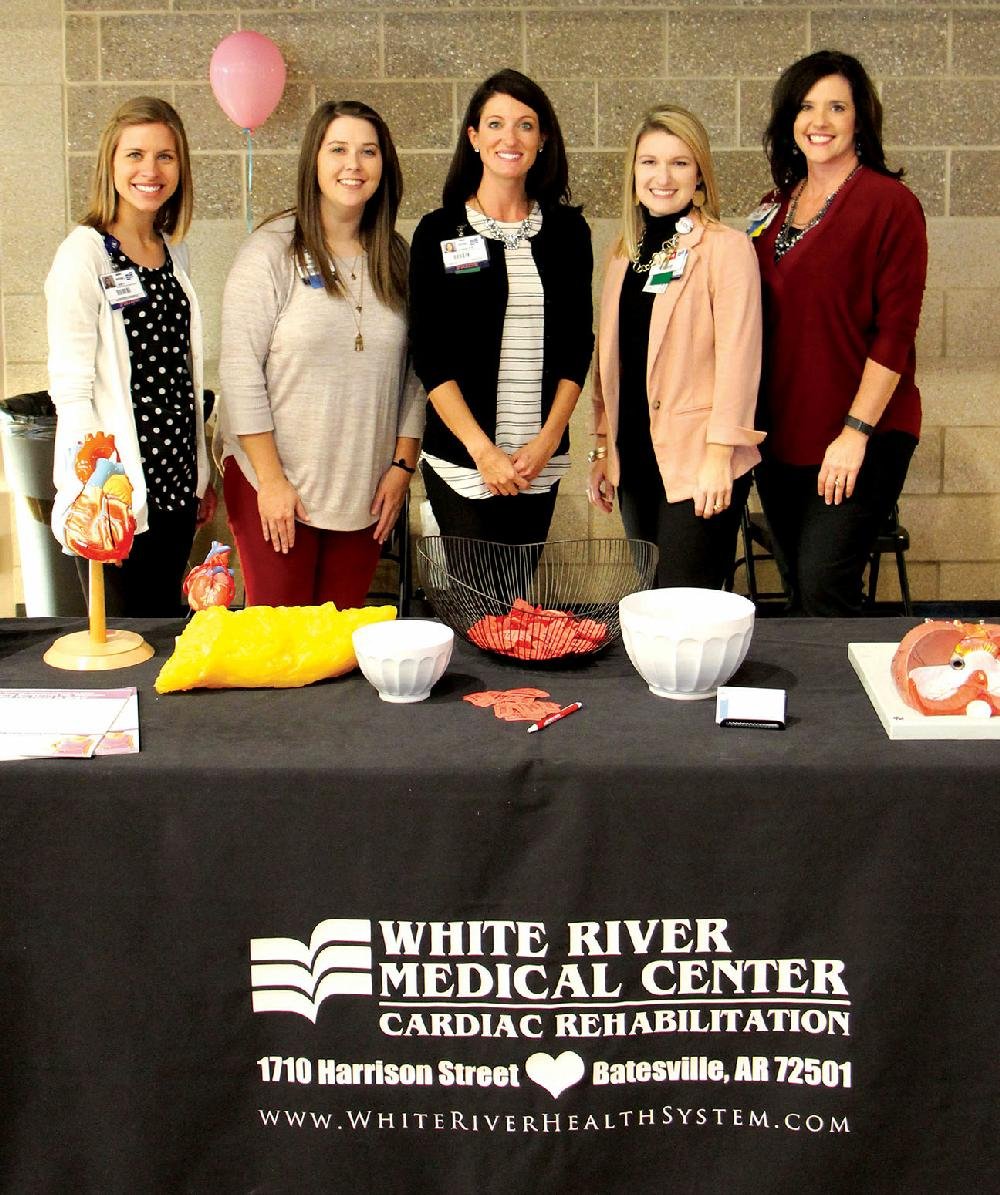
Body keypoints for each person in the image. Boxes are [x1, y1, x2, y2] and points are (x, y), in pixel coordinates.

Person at [218, 100, 423, 608]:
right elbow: (240, 372)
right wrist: (271, 481)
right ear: (314, 160)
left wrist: (402, 466)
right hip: (277, 483)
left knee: (337, 647)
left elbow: (417, 375)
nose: (353, 165)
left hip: (364, 488)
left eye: (368, 152)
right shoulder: (270, 252)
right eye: (338, 149)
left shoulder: (395, 258)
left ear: (385, 166)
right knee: (280, 646)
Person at [750, 50, 927, 616]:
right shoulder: (772, 207)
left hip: (860, 432)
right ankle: (824, 704)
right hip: (781, 435)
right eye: (806, 106)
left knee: (825, 584)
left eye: (836, 107)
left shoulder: (889, 204)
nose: (819, 121)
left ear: (859, 120)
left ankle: (855, 703)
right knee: (800, 586)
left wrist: (855, 433)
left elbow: (896, 333)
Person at [408, 68, 594, 548]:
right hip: (463, 459)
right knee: (479, 611)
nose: (509, 137)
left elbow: (577, 345)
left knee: (521, 613)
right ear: (473, 137)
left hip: (540, 459)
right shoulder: (440, 232)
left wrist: (549, 440)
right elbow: (430, 354)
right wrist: (482, 451)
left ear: (542, 139)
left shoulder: (569, 233)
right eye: (494, 124)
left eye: (525, 124)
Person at [46, 96, 213, 617]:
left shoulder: (172, 249)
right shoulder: (85, 252)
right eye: (134, 155)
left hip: (175, 483)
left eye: (166, 156)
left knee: (166, 633)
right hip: (119, 492)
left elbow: (182, 374)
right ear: (110, 164)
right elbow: (71, 389)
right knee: (120, 642)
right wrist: (97, 499)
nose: (150, 170)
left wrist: (200, 474)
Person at [588, 106, 763, 590]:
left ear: (700, 174)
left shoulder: (725, 248)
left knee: (687, 604)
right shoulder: (626, 253)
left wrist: (718, 456)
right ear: (633, 173)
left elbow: (740, 359)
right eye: (649, 162)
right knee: (652, 603)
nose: (662, 177)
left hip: (698, 459)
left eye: (679, 163)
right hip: (636, 457)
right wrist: (602, 449)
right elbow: (612, 361)